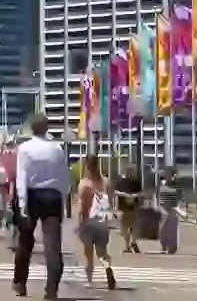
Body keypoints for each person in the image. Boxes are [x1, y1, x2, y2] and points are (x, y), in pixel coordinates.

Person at [12, 115, 71, 300]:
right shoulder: (57, 149)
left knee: (25, 241)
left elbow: (21, 177)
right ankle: (51, 288)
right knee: (53, 245)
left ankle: (20, 282)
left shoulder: (25, 149)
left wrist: (22, 203)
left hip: (32, 195)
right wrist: (63, 195)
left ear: (31, 128)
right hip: (53, 196)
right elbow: (64, 177)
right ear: (47, 128)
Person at [76, 154, 117, 291]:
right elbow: (111, 203)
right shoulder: (107, 182)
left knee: (89, 255)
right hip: (102, 221)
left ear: (86, 165)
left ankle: (89, 280)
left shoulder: (84, 184)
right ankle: (108, 268)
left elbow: (82, 208)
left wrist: (79, 224)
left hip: (88, 222)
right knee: (102, 252)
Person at [115, 167, 143, 253]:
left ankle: (133, 243)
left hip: (133, 207)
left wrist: (135, 196)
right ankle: (127, 245)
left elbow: (141, 193)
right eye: (129, 171)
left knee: (134, 227)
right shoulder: (121, 182)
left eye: (132, 171)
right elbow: (115, 192)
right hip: (123, 208)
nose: (130, 173)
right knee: (123, 229)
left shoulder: (136, 182)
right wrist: (124, 194)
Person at [157, 167, 183, 254]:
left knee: (172, 229)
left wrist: (178, 208)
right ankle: (164, 245)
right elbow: (158, 196)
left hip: (173, 209)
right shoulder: (162, 184)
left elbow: (180, 197)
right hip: (163, 208)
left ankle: (172, 247)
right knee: (163, 229)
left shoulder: (177, 185)